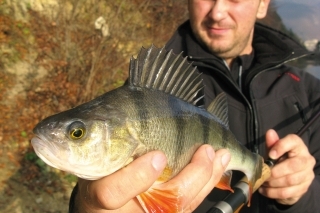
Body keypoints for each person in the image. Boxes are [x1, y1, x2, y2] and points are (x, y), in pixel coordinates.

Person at [69, 0, 320, 212]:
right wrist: (89, 204)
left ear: (263, 3)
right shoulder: (153, 85)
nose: (218, 12)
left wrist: (302, 194)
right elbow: (103, 184)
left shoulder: (309, 92)